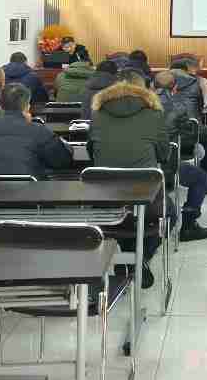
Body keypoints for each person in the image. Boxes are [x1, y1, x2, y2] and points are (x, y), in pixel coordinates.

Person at [89, 71, 174, 286]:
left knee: (122, 219)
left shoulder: (97, 113)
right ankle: (140, 257)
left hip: (104, 201)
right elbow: (164, 154)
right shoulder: (154, 113)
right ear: (143, 89)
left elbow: (92, 152)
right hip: (146, 199)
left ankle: (128, 257)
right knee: (169, 213)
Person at [154, 70, 207, 241]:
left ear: (152, 87)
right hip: (163, 169)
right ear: (175, 88)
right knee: (200, 177)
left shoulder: (141, 104)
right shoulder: (177, 108)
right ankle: (188, 225)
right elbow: (191, 137)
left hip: (122, 172)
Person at [0, 84, 73, 178]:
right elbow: (62, 161)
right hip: (26, 190)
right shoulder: (38, 131)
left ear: (0, 107)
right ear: (27, 106)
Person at [171, 59, 207, 193]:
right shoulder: (198, 82)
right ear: (186, 71)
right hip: (190, 137)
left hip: (164, 140)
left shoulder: (158, 83)